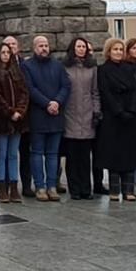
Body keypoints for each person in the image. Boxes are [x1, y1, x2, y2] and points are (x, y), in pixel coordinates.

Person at [20, 35, 70, 202]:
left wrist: (57, 101)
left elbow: (65, 85)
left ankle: (52, 185)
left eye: (46, 45)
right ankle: (40, 186)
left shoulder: (58, 65)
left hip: (56, 116)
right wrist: (47, 103)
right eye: (41, 45)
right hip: (38, 116)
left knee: (53, 154)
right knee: (37, 152)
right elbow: (30, 88)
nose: (44, 48)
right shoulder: (27, 66)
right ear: (34, 48)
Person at [94, 38, 136, 200]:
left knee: (129, 154)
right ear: (108, 51)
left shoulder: (130, 69)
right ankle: (114, 190)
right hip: (113, 117)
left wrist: (131, 109)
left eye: (121, 50)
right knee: (113, 155)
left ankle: (129, 190)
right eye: (115, 49)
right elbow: (105, 93)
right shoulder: (103, 70)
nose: (118, 52)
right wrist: (119, 111)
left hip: (130, 116)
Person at [0, 37, 30, 204]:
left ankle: (13, 186)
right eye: (3, 52)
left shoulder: (17, 71)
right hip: (2, 120)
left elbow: (24, 92)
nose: (6, 55)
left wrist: (20, 111)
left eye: (8, 52)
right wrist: (10, 112)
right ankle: (2, 187)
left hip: (18, 120)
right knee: (2, 153)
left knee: (13, 154)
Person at [60, 37, 100, 199]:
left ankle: (86, 188)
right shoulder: (65, 67)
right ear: (73, 48)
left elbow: (95, 91)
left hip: (87, 114)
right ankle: (74, 189)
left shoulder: (92, 68)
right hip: (70, 113)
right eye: (78, 46)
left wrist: (96, 111)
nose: (81, 49)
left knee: (85, 156)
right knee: (72, 156)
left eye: (84, 46)